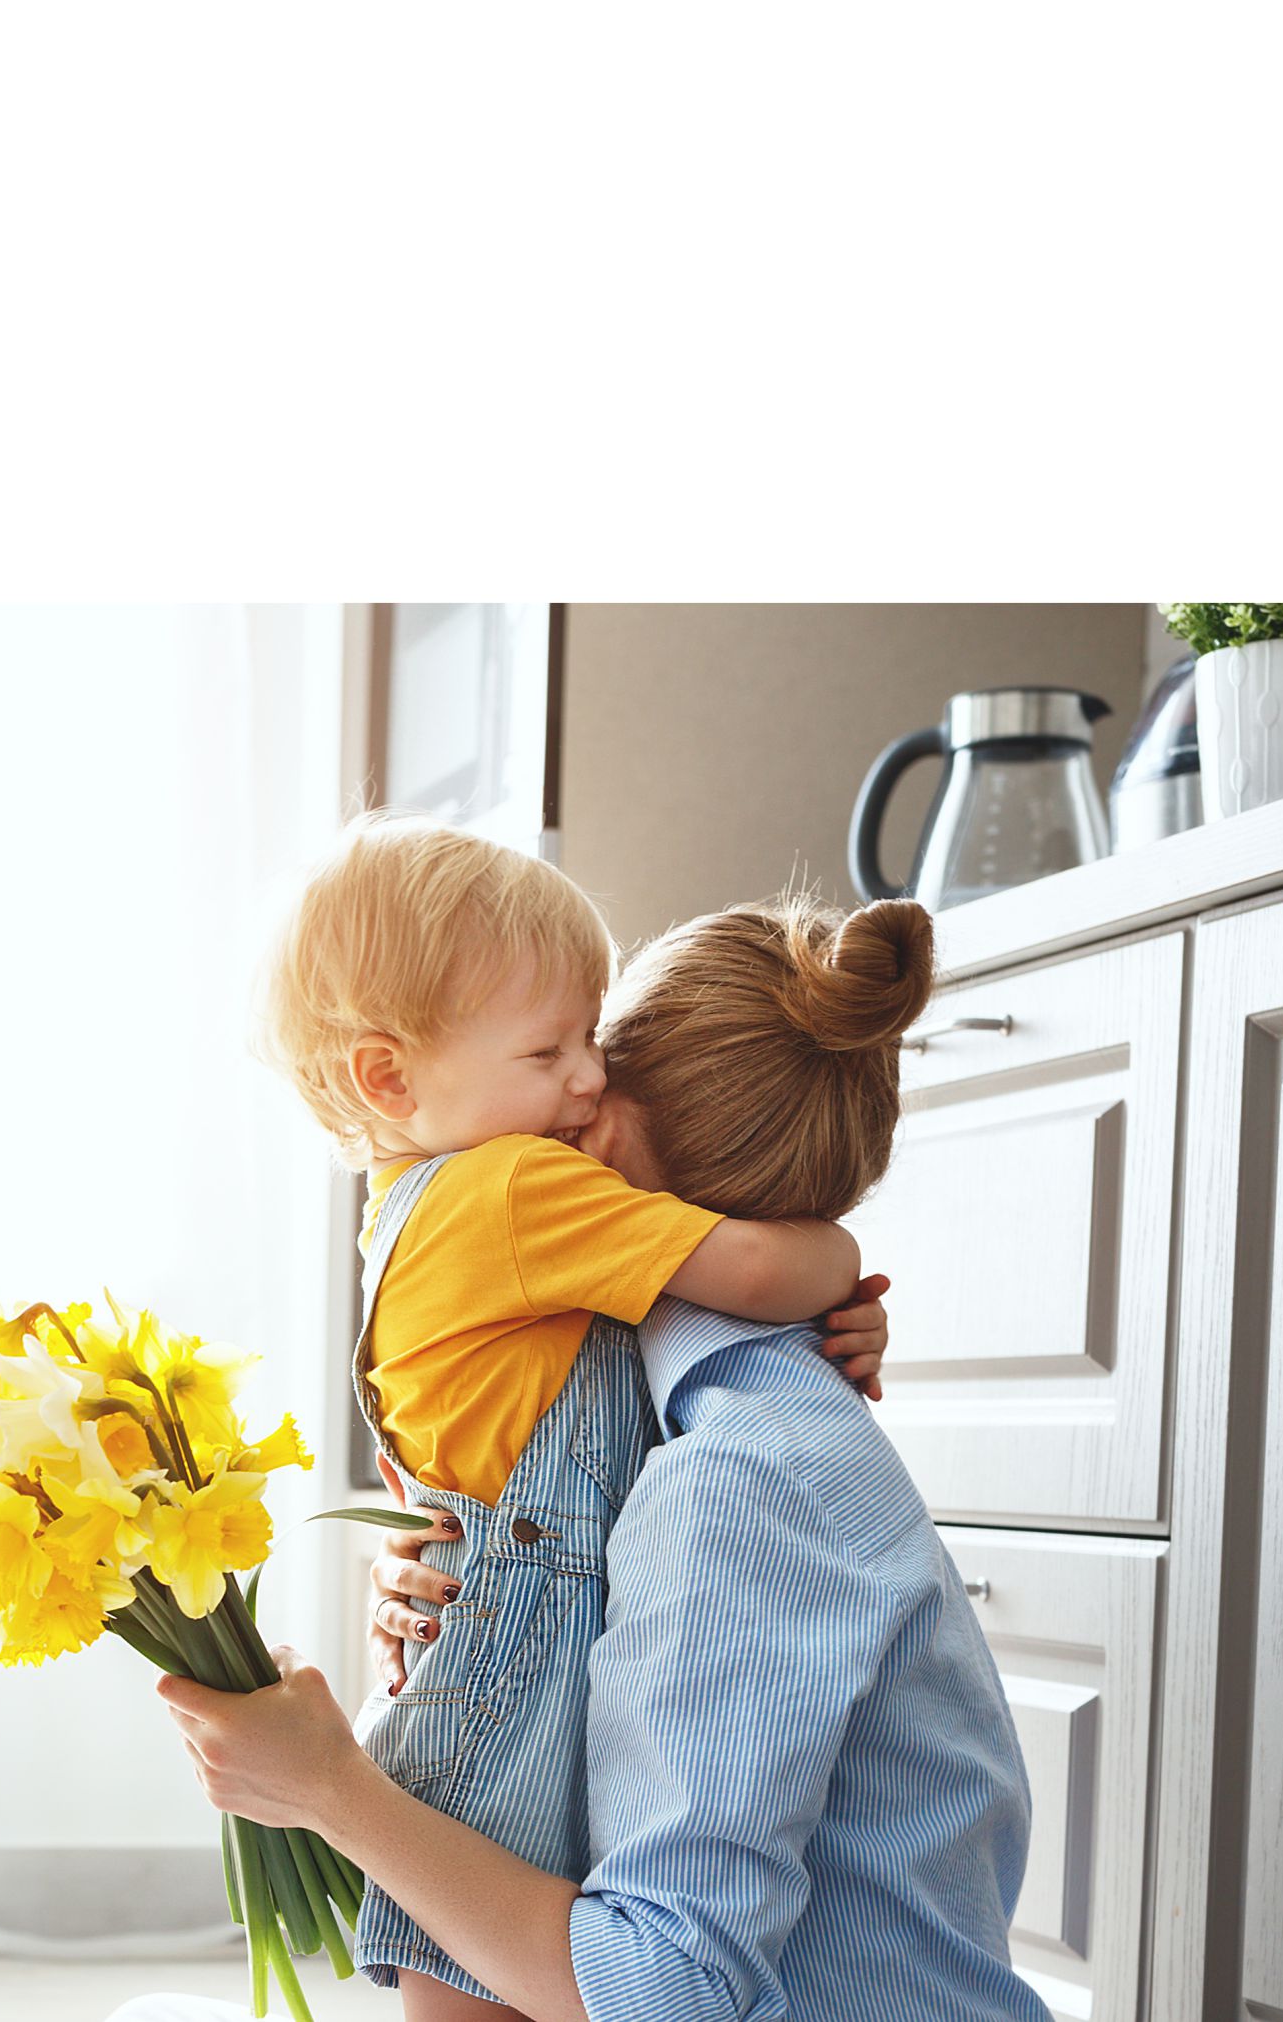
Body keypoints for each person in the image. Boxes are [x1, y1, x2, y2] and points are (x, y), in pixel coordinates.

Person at [145, 892, 1046, 2022]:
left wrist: (330, 1785)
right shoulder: (703, 1410)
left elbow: (665, 1994)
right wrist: (464, 1564)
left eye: (590, 1046)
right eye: (549, 1047)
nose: (564, 1083)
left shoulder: (740, 1476)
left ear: (603, 1137)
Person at [253, 816, 891, 2017]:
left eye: (592, 1034)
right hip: (525, 1642)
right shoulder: (512, 1185)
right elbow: (752, 1270)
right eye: (550, 1048)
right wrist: (843, 1257)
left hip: (497, 1618)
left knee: (475, 1964)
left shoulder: (407, 1208)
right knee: (500, 1959)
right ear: (389, 1076)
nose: (592, 1078)